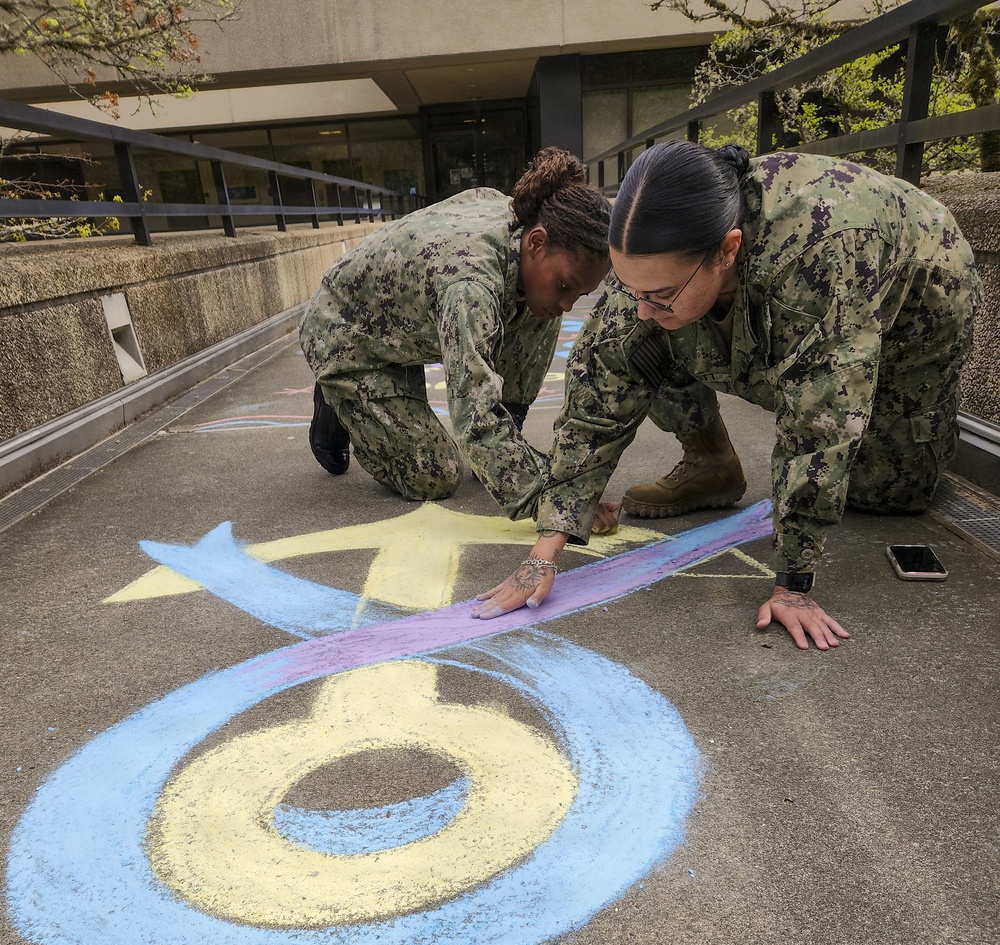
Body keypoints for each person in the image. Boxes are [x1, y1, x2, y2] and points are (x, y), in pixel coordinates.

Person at [473, 143, 982, 650]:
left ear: (727, 250)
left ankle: (913, 435)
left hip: (915, 309)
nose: (643, 308)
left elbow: (822, 418)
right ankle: (712, 464)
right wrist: (546, 550)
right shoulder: (656, 273)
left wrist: (794, 584)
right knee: (649, 338)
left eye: (660, 293)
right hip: (783, 296)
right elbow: (596, 403)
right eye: (632, 289)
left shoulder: (820, 253)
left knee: (885, 491)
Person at [299, 147, 613, 526]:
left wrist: (504, 450)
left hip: (399, 324)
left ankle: (506, 432)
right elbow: (474, 416)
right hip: (345, 336)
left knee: (540, 307)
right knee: (436, 474)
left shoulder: (523, 219)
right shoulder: (471, 286)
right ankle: (338, 398)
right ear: (536, 242)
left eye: (579, 295)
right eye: (566, 285)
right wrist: (554, 499)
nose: (568, 304)